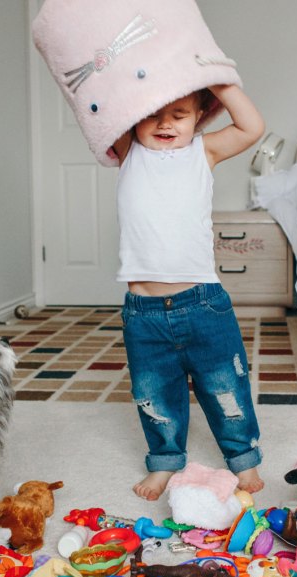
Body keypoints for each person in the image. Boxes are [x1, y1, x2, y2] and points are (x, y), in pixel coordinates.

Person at [111, 84, 266, 501]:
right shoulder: (129, 151)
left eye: (179, 114)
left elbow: (251, 128)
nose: (165, 124)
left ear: (199, 115)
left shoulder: (203, 151)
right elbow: (101, 110)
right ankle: (165, 459)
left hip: (203, 304)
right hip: (143, 313)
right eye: (152, 114)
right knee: (153, 393)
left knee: (225, 386)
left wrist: (219, 82)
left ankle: (243, 458)